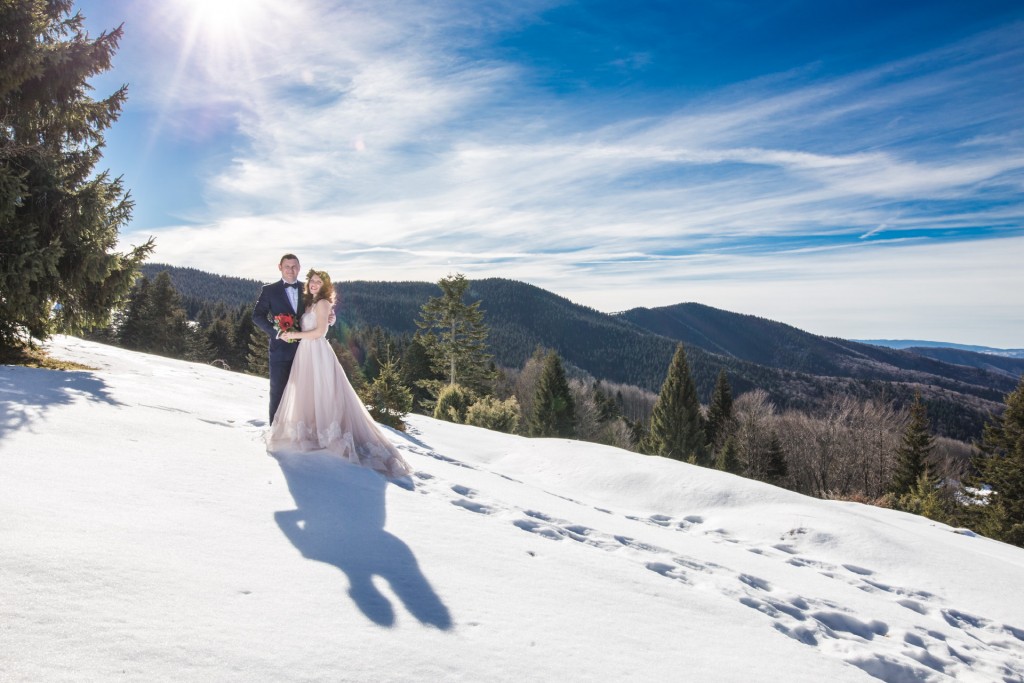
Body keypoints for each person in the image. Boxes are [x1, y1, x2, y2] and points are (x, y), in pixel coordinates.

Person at [267, 269, 412, 479]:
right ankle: (313, 430)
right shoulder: (310, 303)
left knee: (325, 391)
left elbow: (320, 332)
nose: (314, 284)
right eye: (312, 281)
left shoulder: (324, 303)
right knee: (308, 391)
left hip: (317, 351)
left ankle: (331, 435)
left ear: (325, 286)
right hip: (305, 353)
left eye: (319, 282)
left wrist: (294, 334)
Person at [252, 254, 305, 425]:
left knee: (305, 392)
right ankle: (275, 430)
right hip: (280, 350)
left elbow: (319, 311)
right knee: (278, 392)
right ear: (280, 267)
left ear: (299, 267)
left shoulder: (308, 289)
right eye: (287, 266)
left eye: (294, 266)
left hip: (306, 350)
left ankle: (302, 429)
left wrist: (330, 317)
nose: (291, 270)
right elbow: (257, 316)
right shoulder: (269, 290)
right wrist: (277, 332)